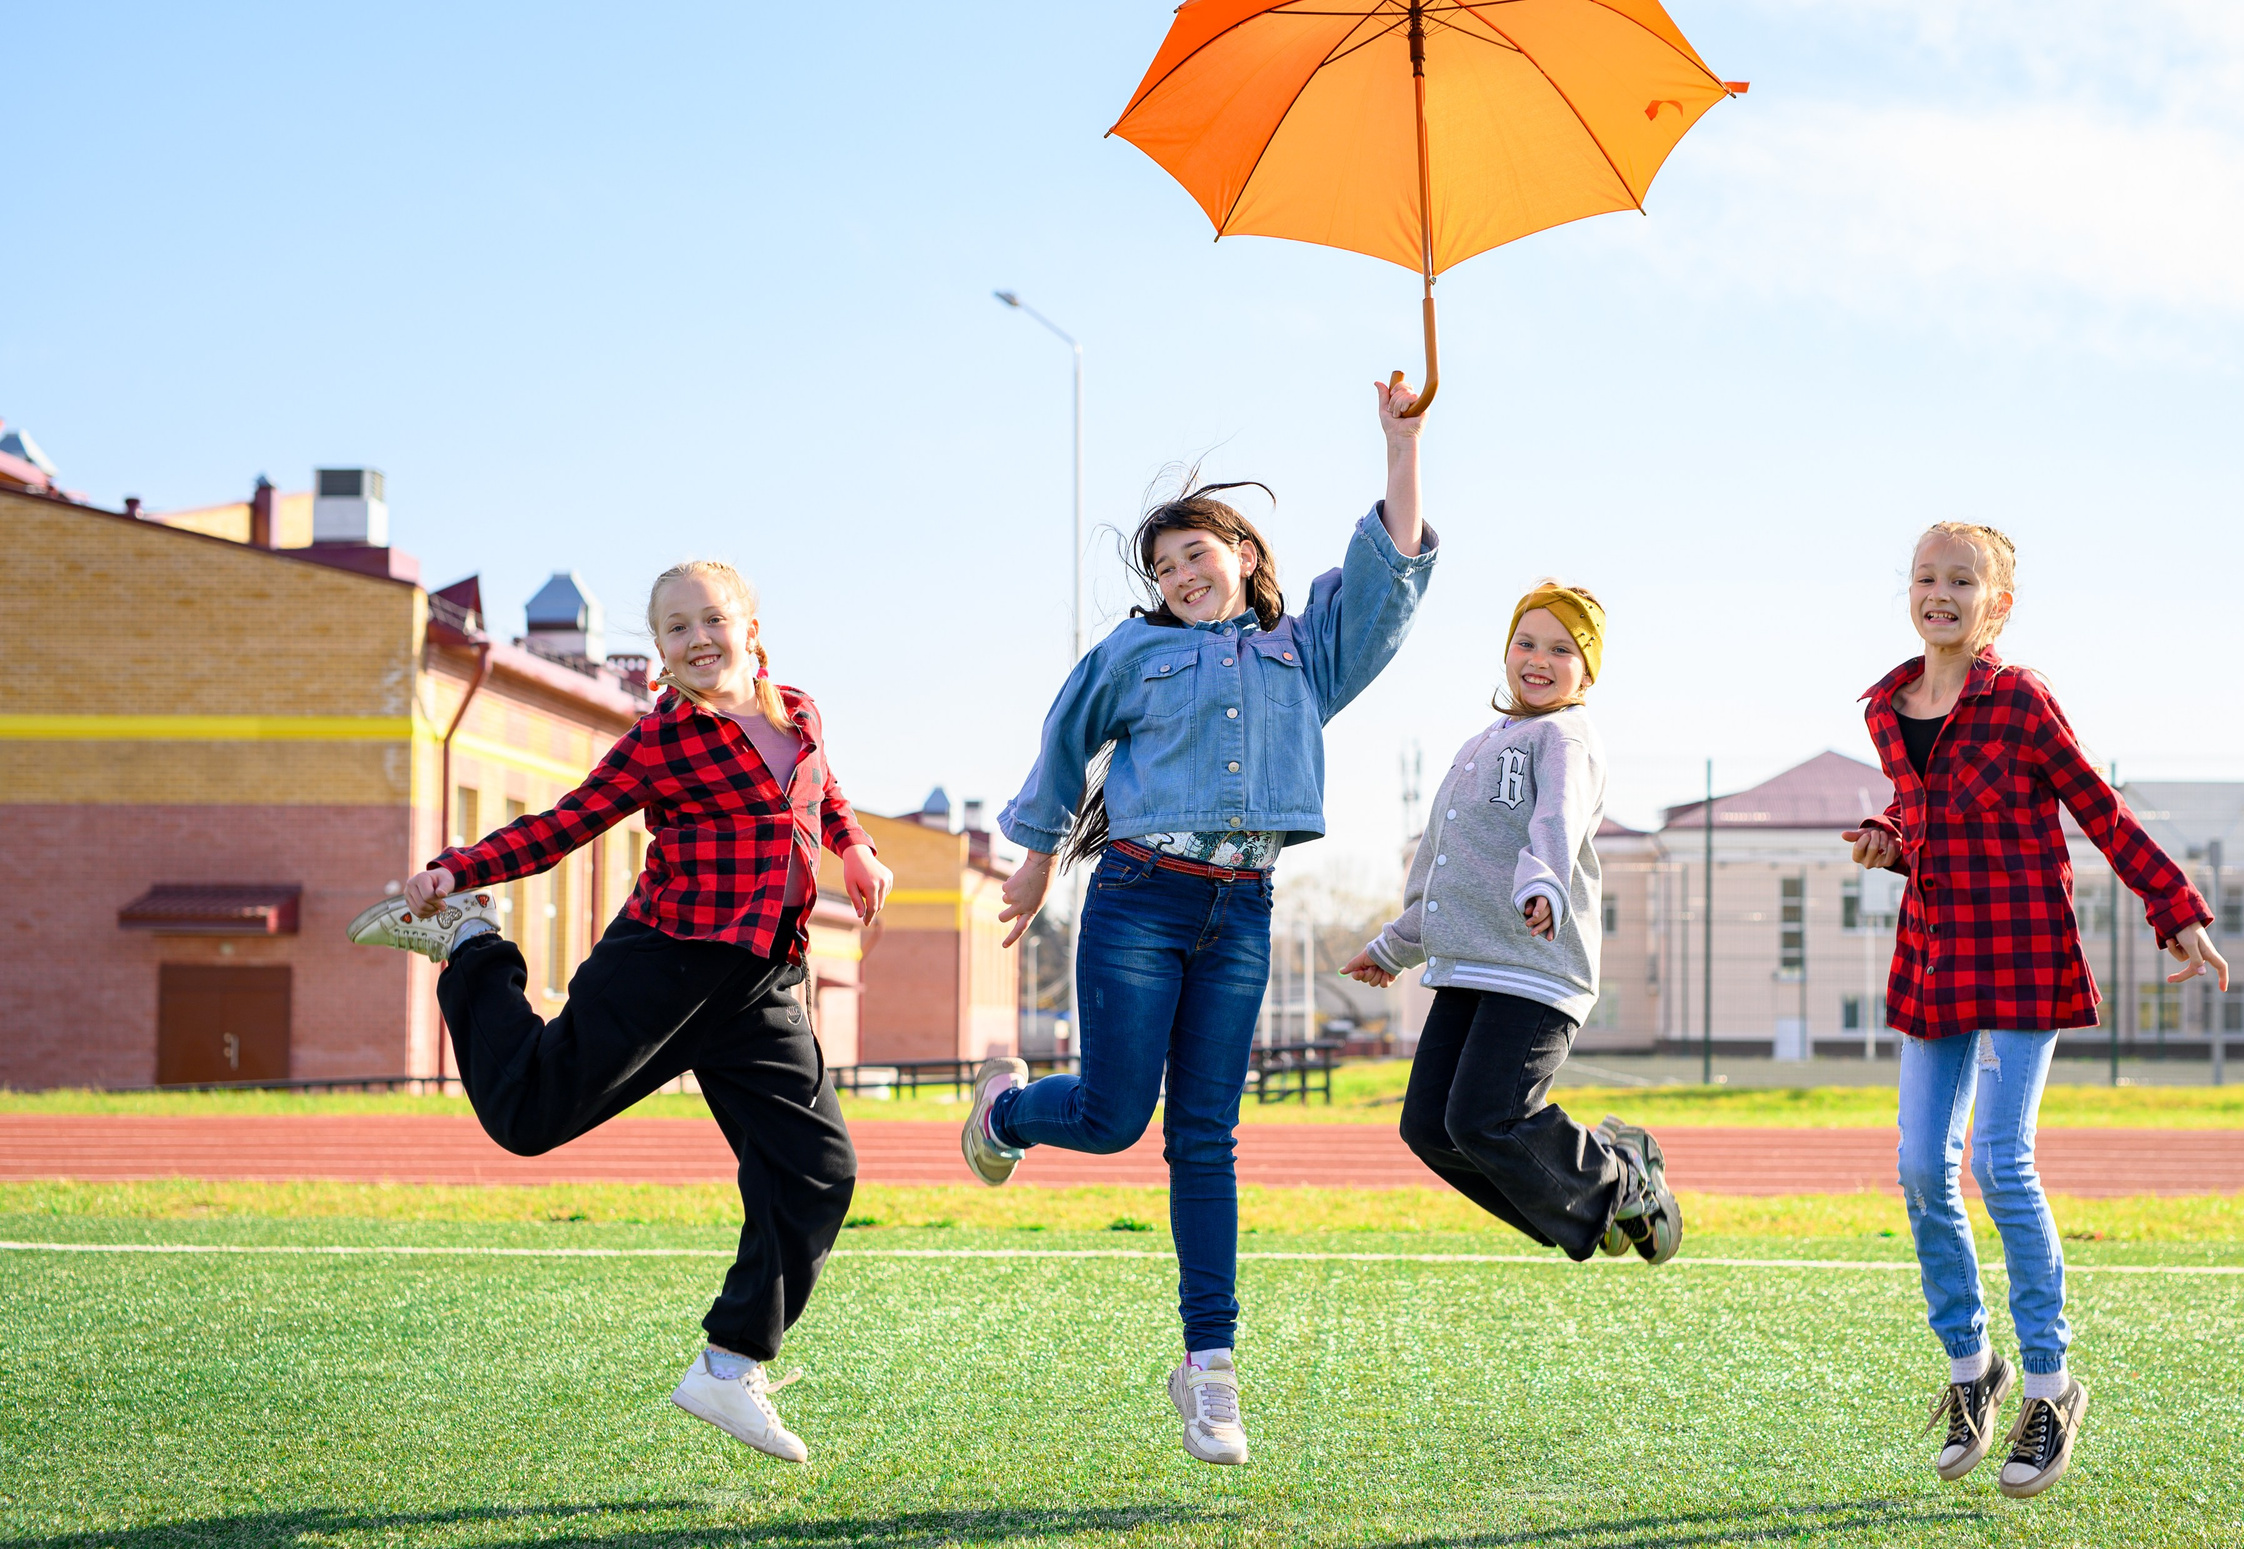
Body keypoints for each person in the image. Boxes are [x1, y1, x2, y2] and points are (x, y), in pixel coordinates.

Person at [961, 377, 1436, 1467]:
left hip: (1242, 911)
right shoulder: (1132, 655)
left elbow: (1388, 581)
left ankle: (1210, 1366)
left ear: (1245, 555)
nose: (1179, 575)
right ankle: (1008, 1111)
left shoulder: (1305, 652)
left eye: (1195, 554)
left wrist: (1401, 445)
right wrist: (1034, 859)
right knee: (1114, 1116)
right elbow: (1065, 736)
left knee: (1205, 1136)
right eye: (1164, 567)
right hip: (1138, 900)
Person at [345, 559, 894, 1466]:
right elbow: (566, 823)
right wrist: (457, 869)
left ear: (750, 629)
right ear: (662, 653)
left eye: (712, 618)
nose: (698, 638)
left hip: (764, 979)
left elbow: (823, 791)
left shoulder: (799, 712)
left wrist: (857, 847)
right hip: (666, 963)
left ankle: (728, 1365)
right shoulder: (662, 739)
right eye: (677, 628)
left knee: (817, 1169)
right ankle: (470, 942)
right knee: (529, 1116)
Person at [1845, 522, 2226, 1499]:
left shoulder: (2020, 700)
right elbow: (1924, 811)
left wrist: (2175, 908)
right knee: (1919, 1167)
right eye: (1925, 577)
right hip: (1934, 961)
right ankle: (1974, 1366)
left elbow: (2099, 805)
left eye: (1961, 580)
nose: (1939, 593)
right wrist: (1889, 835)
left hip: (2021, 958)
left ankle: (2051, 1385)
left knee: (1999, 1161)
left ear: (1997, 606)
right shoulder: (1888, 708)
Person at [1341, 583, 1679, 1264]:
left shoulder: (1566, 736)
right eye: (1526, 642)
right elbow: (1448, 872)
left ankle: (1617, 1182)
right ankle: (1592, 1209)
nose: (1539, 659)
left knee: (1485, 1117)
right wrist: (1393, 946)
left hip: (1534, 965)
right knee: (1431, 1127)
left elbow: (1558, 818)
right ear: (1506, 652)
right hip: (1468, 965)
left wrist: (1545, 884)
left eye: (1562, 649)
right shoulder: (1481, 744)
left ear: (1587, 673)